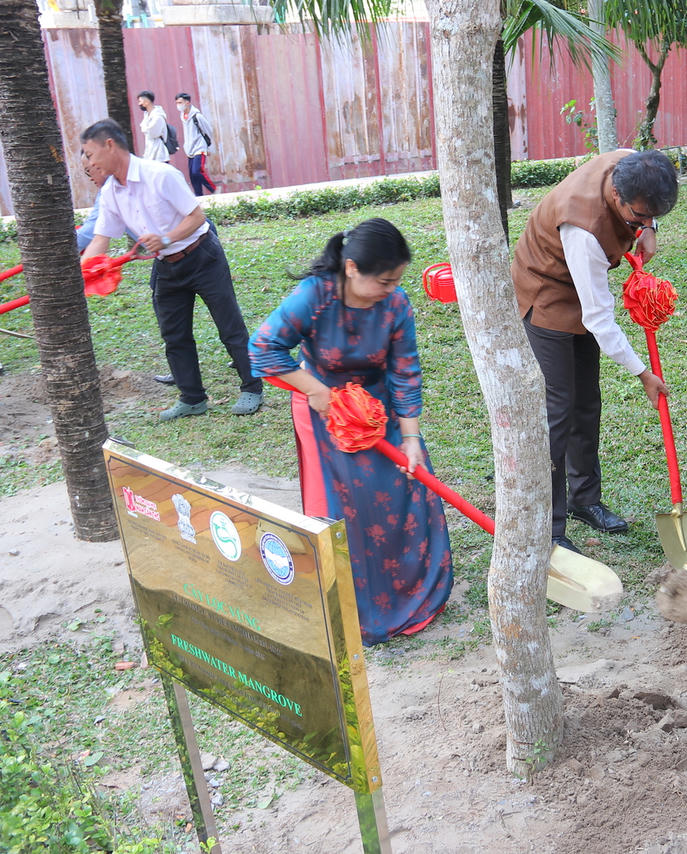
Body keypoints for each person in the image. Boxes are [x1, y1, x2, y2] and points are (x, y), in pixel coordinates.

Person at [250, 219, 453, 645]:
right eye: (384, 281)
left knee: (407, 493)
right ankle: (357, 609)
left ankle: (414, 597)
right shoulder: (314, 296)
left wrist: (410, 438)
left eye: (396, 280)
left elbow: (405, 371)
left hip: (379, 409)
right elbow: (263, 348)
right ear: (352, 269)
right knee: (347, 511)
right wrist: (317, 391)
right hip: (326, 412)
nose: (391, 289)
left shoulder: (396, 304)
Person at [511, 149, 675, 553]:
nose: (643, 223)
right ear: (617, 195)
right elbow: (600, 319)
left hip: (582, 284)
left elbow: (643, 213)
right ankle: (550, 528)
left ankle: (585, 500)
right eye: (639, 216)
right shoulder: (582, 229)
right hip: (546, 291)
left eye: (653, 215)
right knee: (558, 410)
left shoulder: (633, 164)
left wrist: (648, 228)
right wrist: (642, 373)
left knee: (586, 401)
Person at [80, 118, 262, 420]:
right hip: (166, 266)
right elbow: (100, 239)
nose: (89, 162)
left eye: (90, 154)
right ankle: (192, 398)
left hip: (202, 255)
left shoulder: (160, 175)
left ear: (109, 145)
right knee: (174, 335)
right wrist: (79, 275)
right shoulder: (111, 192)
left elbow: (196, 217)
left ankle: (252, 388)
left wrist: (166, 238)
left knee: (229, 326)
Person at [76, 156, 138, 254]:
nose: (90, 178)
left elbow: (91, 230)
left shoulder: (110, 189)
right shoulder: (113, 184)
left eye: (88, 171)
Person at [175, 93, 218, 196]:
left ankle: (214, 189)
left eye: (180, 102)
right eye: (177, 103)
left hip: (199, 147)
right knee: (193, 176)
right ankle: (199, 196)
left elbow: (209, 130)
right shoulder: (183, 116)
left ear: (187, 102)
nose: (178, 105)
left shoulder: (197, 116)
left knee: (197, 171)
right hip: (190, 149)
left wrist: (208, 147)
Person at [137, 90, 170, 162]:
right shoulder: (147, 115)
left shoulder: (158, 116)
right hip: (150, 152)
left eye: (140, 101)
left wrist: (145, 128)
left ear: (147, 102)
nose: (139, 104)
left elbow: (152, 133)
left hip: (159, 153)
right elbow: (144, 129)